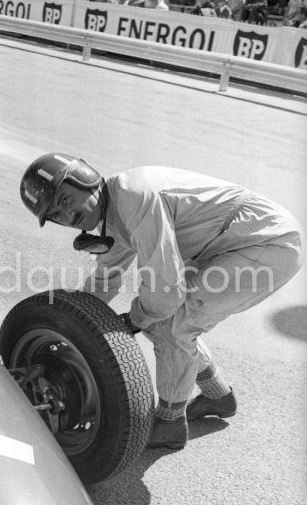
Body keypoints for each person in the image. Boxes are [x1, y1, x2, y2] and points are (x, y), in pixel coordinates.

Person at [19, 154, 302, 450]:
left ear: (86, 179)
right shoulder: (111, 216)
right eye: (55, 215)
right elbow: (105, 279)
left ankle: (169, 423)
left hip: (268, 242)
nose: (67, 216)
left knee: (170, 322)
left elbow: (165, 291)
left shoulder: (133, 196)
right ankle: (218, 396)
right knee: (164, 320)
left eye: (65, 200)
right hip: (232, 243)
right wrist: (70, 328)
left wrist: (131, 320)